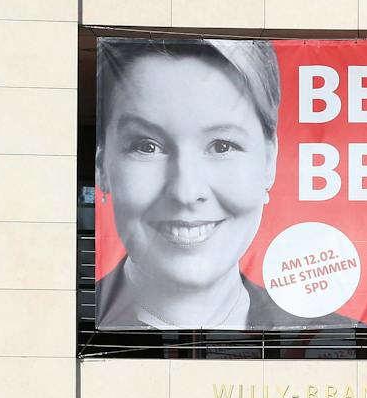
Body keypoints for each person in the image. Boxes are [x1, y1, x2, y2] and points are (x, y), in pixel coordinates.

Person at [94, 38, 348, 331]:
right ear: (103, 166)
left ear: (269, 160)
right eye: (146, 146)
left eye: (222, 145)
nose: (186, 192)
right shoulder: (63, 321)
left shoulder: (334, 338)